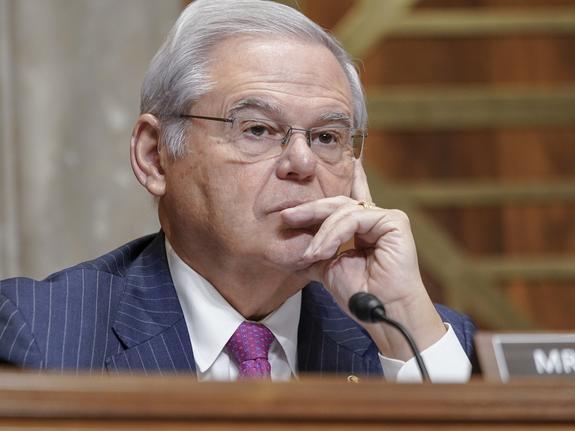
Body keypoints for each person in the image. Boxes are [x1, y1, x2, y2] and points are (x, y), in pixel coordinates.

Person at [0, 0, 476, 382]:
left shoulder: (422, 338)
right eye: (258, 130)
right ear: (154, 156)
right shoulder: (42, 336)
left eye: (327, 137)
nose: (302, 163)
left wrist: (403, 329)